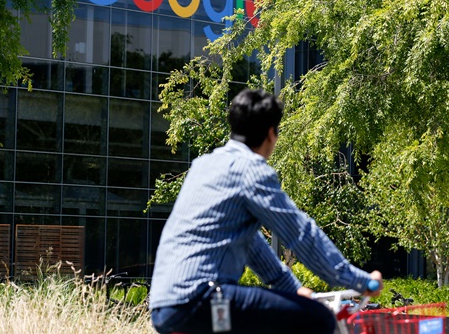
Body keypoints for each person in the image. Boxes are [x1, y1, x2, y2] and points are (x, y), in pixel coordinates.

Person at [149, 88, 383, 334]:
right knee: (318, 318)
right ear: (271, 134)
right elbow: (300, 233)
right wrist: (357, 280)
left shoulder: (204, 165)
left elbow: (252, 245)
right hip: (202, 298)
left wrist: (292, 289)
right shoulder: (251, 169)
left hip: (166, 306)